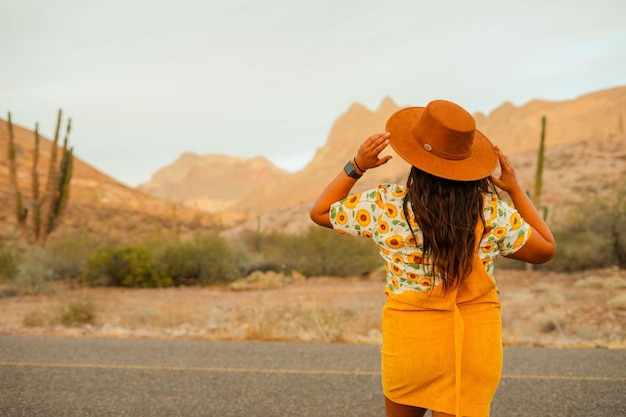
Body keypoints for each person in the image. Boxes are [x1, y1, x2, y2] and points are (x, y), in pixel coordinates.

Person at [309, 99, 556, 417]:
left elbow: (320, 212)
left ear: (415, 156)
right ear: (467, 161)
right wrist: (516, 189)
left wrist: (356, 166)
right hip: (472, 345)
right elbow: (545, 249)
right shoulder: (490, 212)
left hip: (411, 345)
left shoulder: (386, 205)